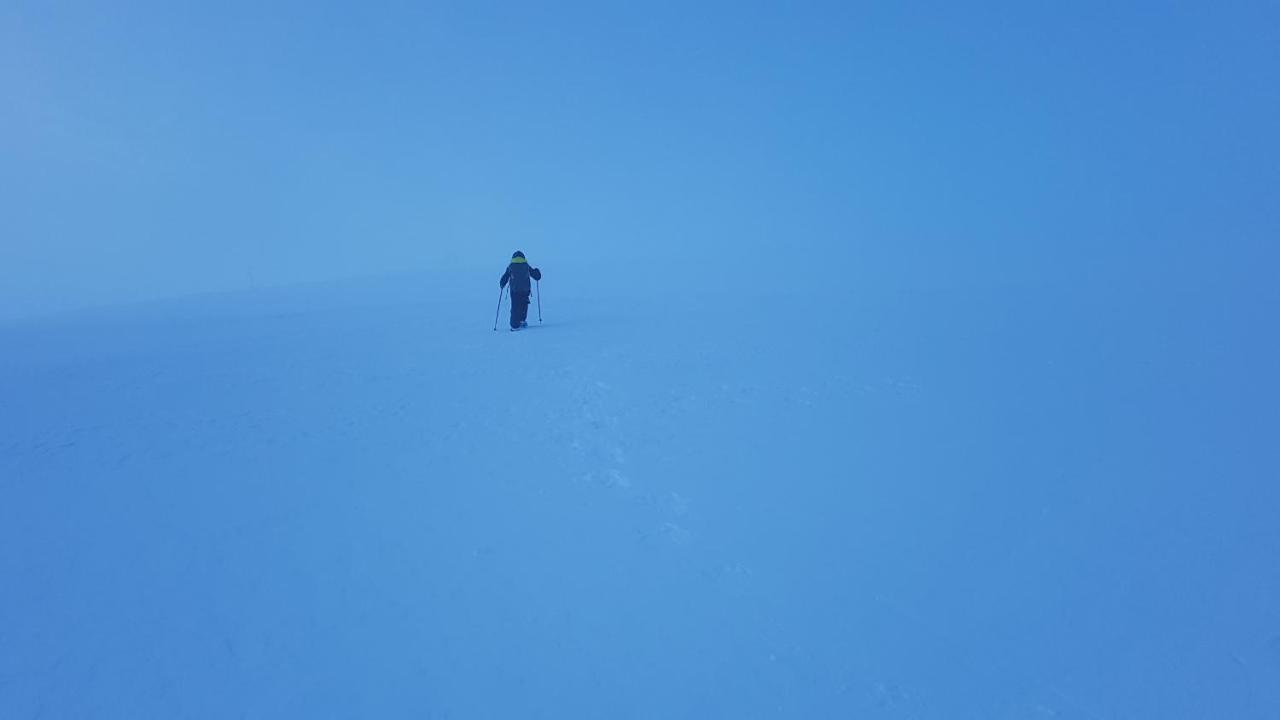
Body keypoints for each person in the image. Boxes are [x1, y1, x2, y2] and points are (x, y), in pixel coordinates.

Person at [499, 251, 542, 330]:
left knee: (515, 306)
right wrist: (537, 272)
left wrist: (502, 284)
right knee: (524, 305)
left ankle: (514, 325)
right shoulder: (526, 266)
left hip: (514, 290)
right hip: (525, 290)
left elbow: (505, 277)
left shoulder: (511, 267)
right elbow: (536, 276)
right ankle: (522, 321)